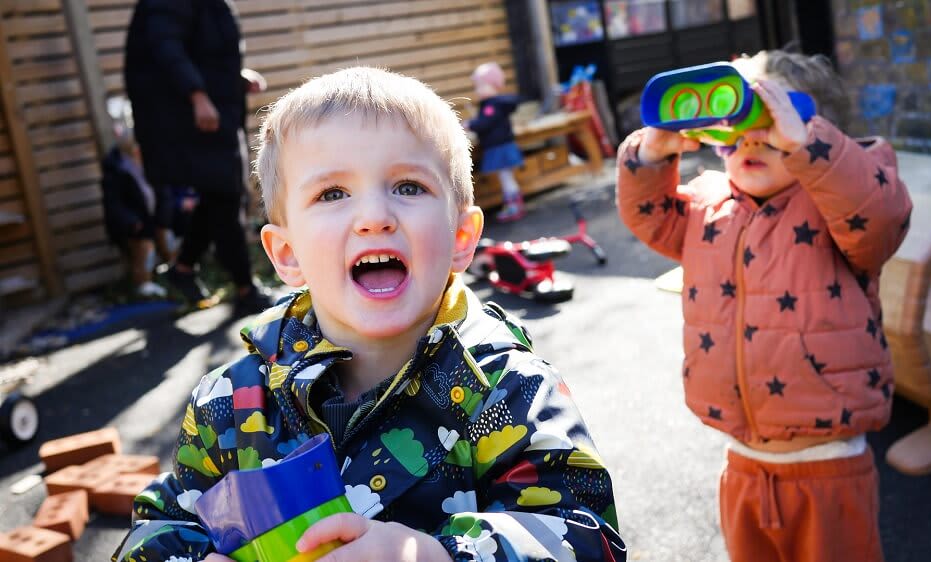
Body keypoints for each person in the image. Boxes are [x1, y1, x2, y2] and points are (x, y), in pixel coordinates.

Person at [112, 67, 626, 562]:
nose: (375, 218)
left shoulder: (507, 391)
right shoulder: (230, 406)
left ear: (461, 239)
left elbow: (584, 536)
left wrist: (438, 555)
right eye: (332, 193)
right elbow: (159, 523)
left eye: (408, 187)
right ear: (287, 254)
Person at [616, 51, 912, 562]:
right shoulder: (710, 206)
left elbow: (880, 217)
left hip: (828, 467)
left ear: (815, 134)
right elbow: (651, 216)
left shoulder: (837, 205)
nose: (750, 138)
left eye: (770, 123)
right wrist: (652, 155)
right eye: (736, 124)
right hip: (741, 461)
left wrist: (812, 148)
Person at [124, 0, 271, 313]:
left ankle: (184, 269)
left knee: (219, 194)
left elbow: (200, 46)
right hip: (188, 117)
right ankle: (245, 287)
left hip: (209, 110)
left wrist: (234, 76)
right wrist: (198, 95)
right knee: (225, 193)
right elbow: (165, 47)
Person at [100, 126, 171, 299]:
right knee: (145, 247)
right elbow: (113, 204)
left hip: (154, 217)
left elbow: (163, 192)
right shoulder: (116, 171)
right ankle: (144, 285)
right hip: (134, 223)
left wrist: (164, 215)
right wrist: (131, 221)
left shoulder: (149, 164)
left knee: (168, 239)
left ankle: (174, 274)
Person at [466, 62, 525, 222]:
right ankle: (514, 205)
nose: (477, 90)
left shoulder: (491, 107)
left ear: (492, 86)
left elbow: (484, 123)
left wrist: (470, 125)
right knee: (507, 177)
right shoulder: (495, 105)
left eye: (480, 86)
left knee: (506, 178)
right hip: (504, 146)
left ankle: (513, 207)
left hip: (500, 149)